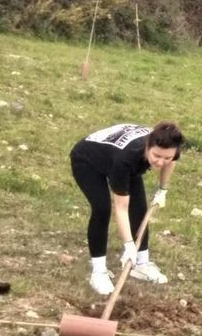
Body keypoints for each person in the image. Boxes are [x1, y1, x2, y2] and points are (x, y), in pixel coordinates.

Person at [69, 122, 184, 295]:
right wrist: (129, 244)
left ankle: (141, 264)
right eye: (156, 156)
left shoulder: (168, 147)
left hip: (120, 158)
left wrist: (163, 189)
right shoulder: (125, 160)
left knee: (139, 209)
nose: (161, 162)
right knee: (102, 208)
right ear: (147, 146)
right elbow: (121, 208)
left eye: (166, 157)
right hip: (88, 161)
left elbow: (171, 161)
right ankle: (98, 272)